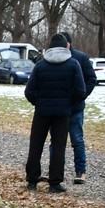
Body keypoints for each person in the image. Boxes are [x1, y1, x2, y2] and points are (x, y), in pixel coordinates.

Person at [23, 33, 86, 194]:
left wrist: (38, 102)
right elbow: (80, 90)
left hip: (42, 111)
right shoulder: (73, 65)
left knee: (36, 145)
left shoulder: (41, 65)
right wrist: (69, 104)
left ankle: (32, 180)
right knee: (59, 147)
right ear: (66, 46)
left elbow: (29, 91)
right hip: (62, 112)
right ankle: (55, 182)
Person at [59, 31, 96, 183]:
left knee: (77, 140)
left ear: (69, 43)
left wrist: (81, 95)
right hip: (59, 107)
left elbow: (91, 79)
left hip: (75, 107)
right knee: (57, 141)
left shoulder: (80, 58)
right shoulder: (54, 58)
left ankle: (81, 171)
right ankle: (55, 171)